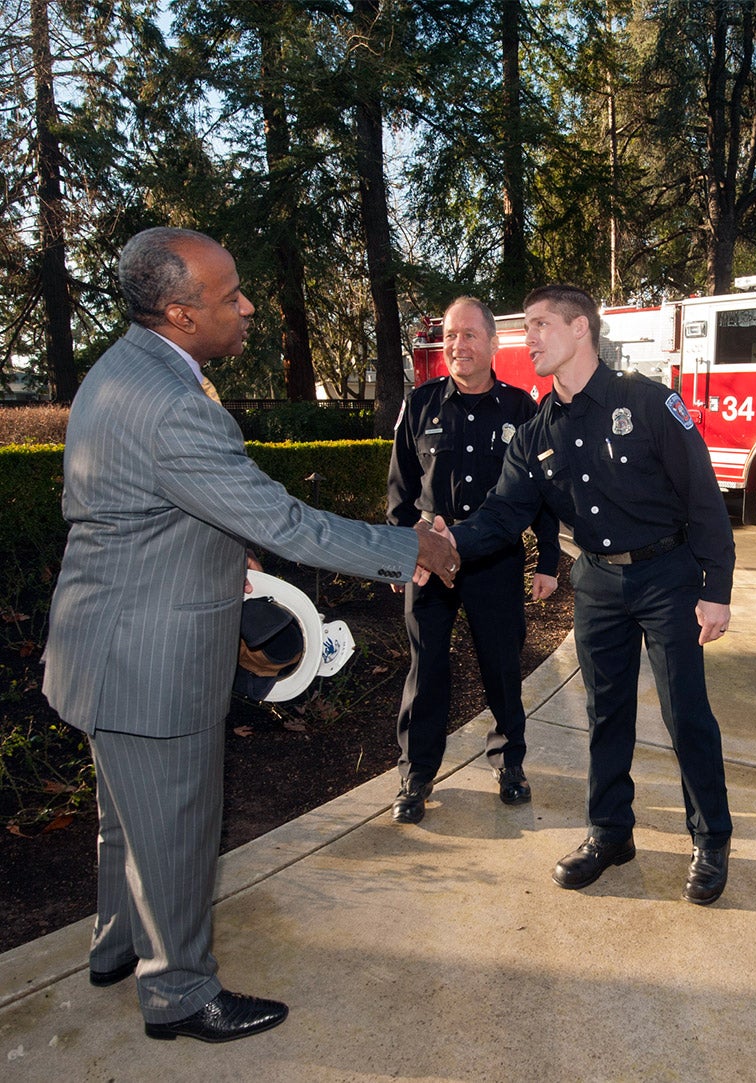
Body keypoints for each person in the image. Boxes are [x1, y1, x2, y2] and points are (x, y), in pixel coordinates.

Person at [41, 227, 457, 1044]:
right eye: (228, 295)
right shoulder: (171, 405)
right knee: (178, 826)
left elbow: (156, 502)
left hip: (100, 644)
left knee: (126, 819)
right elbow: (283, 516)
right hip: (150, 659)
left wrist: (225, 543)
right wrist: (413, 547)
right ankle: (179, 992)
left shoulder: (128, 365)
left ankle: (116, 946)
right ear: (178, 313)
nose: (247, 305)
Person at [441, 284, 736, 905]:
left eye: (542, 324)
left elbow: (703, 498)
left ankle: (710, 838)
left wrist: (716, 587)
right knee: (606, 713)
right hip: (597, 581)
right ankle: (610, 832)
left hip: (666, 575)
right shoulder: (535, 431)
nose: (532, 338)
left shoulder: (649, 402)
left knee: (686, 712)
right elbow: (502, 514)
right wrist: (448, 542)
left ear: (581, 330)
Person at [386, 296, 559, 823]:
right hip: (427, 563)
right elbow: (400, 490)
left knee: (502, 667)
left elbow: (542, 493)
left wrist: (549, 560)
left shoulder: (521, 410)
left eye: (470, 335)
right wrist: (398, 555)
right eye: (451, 336)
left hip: (494, 564)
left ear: (493, 343)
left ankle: (509, 763)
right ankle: (416, 775)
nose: (458, 345)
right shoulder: (419, 405)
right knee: (428, 667)